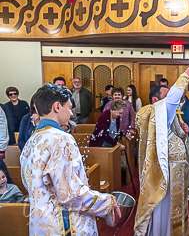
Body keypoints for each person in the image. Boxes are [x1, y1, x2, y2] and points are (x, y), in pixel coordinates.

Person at [20, 83, 120, 235]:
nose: (71, 113)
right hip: (63, 225)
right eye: (69, 107)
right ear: (57, 107)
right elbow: (70, 194)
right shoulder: (61, 139)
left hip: (41, 224)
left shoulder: (32, 140)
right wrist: (107, 202)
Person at [134, 65, 189, 235]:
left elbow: (171, 136)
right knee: (163, 209)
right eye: (166, 94)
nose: (172, 98)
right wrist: (185, 75)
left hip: (172, 173)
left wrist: (183, 133)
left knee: (171, 209)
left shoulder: (163, 115)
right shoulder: (151, 112)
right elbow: (171, 101)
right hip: (162, 174)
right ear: (156, 101)